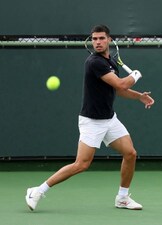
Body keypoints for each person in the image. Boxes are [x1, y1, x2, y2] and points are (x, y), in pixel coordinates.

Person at [25, 24, 154, 211]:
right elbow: (121, 84)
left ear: (109, 40)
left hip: (109, 119)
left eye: (101, 38)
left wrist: (139, 96)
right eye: (94, 39)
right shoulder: (94, 62)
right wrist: (135, 75)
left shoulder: (109, 62)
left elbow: (118, 90)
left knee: (130, 153)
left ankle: (122, 198)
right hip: (91, 122)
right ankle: (37, 190)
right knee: (81, 164)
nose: (98, 42)